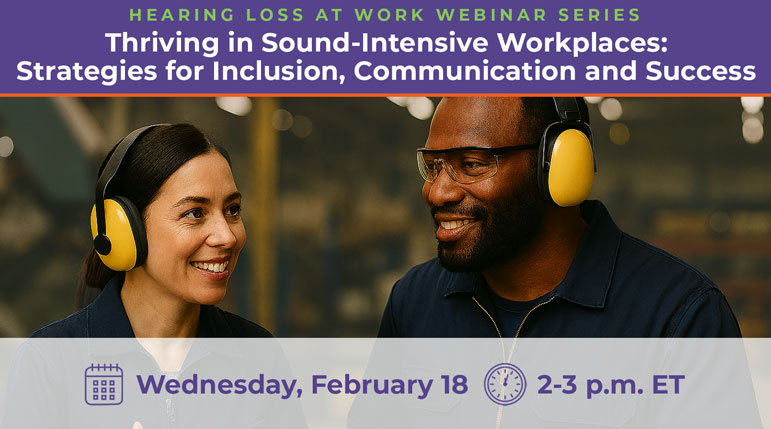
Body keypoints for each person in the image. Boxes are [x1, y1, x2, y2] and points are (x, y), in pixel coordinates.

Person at [377, 97, 742, 337]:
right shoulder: (414, 301)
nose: (436, 192)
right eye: (433, 166)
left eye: (472, 164)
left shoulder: (678, 315)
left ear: (557, 166)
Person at [31, 123, 270, 338]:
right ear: (122, 228)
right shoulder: (49, 361)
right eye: (194, 213)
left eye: (232, 210)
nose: (227, 237)